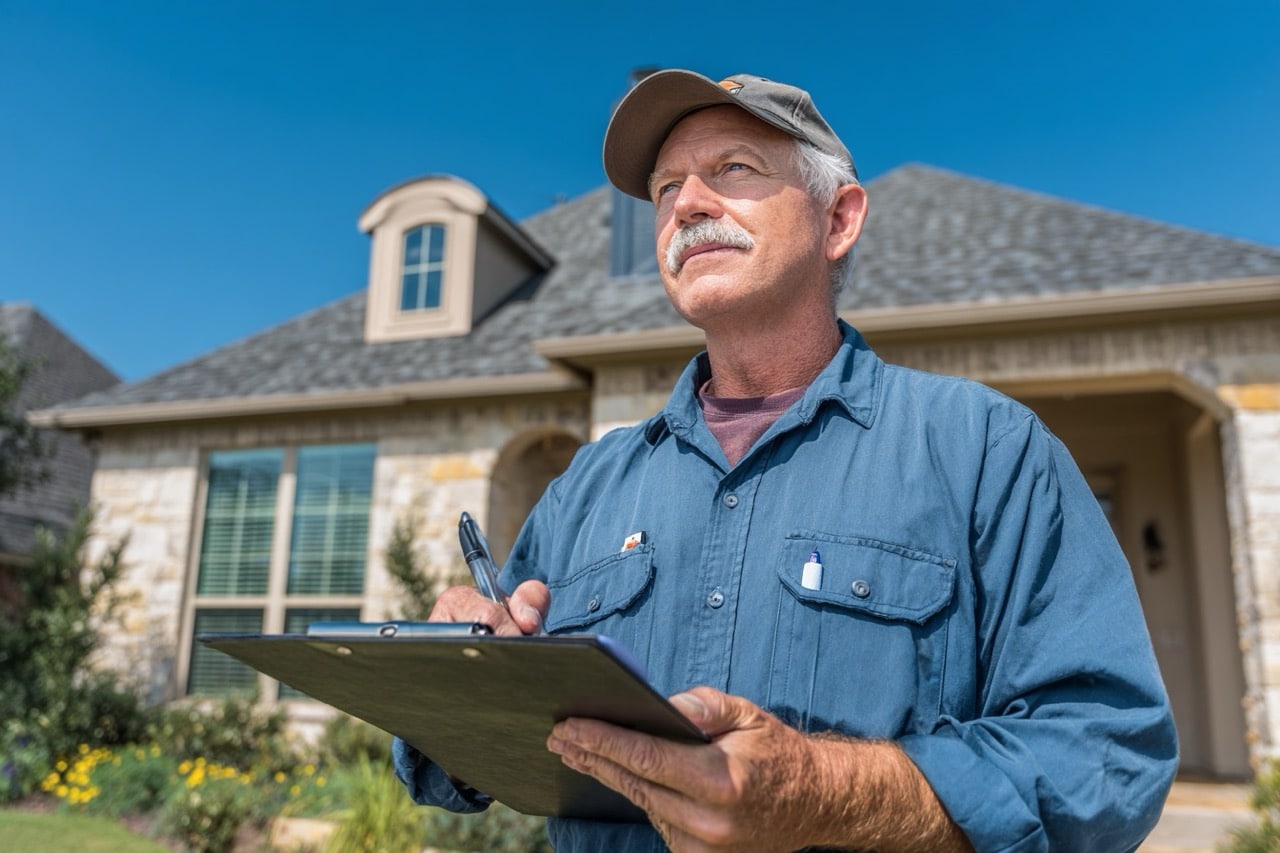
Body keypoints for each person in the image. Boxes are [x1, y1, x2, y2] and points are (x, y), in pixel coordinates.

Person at [393, 69, 1179, 851]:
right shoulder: (588, 488)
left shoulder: (985, 450)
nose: (687, 206)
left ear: (839, 218)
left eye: (733, 169)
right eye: (667, 189)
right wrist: (462, 675)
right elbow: (476, 753)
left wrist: (822, 793)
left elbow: (1108, 754)